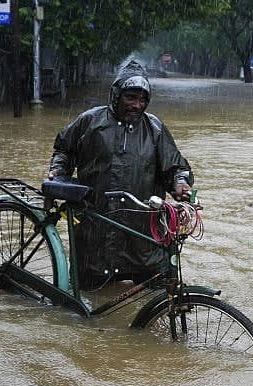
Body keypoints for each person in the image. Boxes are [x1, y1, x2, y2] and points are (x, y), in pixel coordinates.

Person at [47, 60, 193, 288]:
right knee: (89, 302)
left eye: (143, 99)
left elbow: (174, 167)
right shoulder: (90, 121)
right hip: (96, 232)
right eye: (131, 97)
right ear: (116, 95)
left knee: (154, 300)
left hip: (142, 239)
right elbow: (64, 150)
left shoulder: (154, 128)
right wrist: (58, 171)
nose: (137, 105)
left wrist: (180, 182)